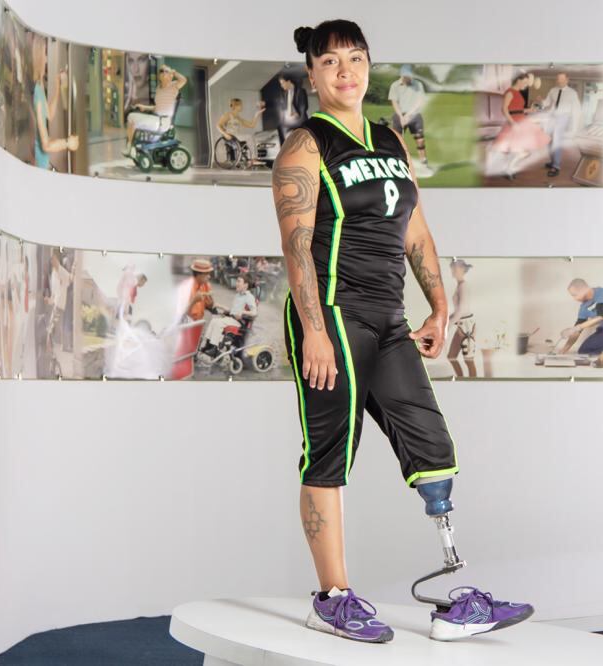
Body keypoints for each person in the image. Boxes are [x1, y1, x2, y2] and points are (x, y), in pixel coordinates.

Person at [273, 20, 533, 645]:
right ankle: (332, 597)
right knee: (330, 453)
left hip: (388, 318)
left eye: (355, 59)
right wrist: (313, 329)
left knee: (430, 442)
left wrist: (440, 307)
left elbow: (415, 230)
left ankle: (453, 595)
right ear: (312, 74)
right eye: (330, 62)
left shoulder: (390, 140)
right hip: (332, 315)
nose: (346, 72)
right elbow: (296, 245)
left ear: (369, 65)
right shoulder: (305, 148)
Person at [31, 34, 79, 170]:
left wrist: (57, 85)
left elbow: (49, 115)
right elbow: (46, 144)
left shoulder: (39, 87)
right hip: (40, 167)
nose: (46, 59)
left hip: (44, 164)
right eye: (45, 54)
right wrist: (67, 143)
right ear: (40, 56)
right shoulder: (36, 92)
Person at [123, 65, 188, 157]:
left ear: (171, 76)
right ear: (158, 75)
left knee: (132, 118)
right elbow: (157, 107)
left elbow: (183, 80)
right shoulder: (158, 88)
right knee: (131, 116)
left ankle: (131, 148)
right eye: (161, 71)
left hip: (162, 122)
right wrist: (144, 107)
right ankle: (131, 147)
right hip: (156, 119)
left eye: (166, 71)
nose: (163, 72)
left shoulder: (174, 86)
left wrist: (174, 71)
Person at [558, 278, 603, 360]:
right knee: (583, 351)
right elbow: (577, 332)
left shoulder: (601, 292)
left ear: (583, 290)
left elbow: (601, 316)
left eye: (574, 295)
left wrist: (576, 328)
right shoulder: (583, 307)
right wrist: (564, 349)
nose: (574, 298)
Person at [535, 71, 581, 178]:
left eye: (561, 79)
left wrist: (574, 127)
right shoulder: (553, 90)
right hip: (552, 117)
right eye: (558, 79)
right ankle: (552, 161)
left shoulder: (572, 93)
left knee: (556, 139)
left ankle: (556, 166)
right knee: (548, 140)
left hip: (564, 117)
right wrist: (541, 100)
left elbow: (576, 111)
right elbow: (546, 103)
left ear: (567, 80)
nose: (559, 81)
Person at [388, 64, 431, 173]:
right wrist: (401, 116)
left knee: (420, 140)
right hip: (399, 115)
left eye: (410, 76)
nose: (408, 78)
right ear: (402, 75)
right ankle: (397, 164)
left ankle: (424, 162)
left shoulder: (418, 84)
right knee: (397, 141)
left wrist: (408, 115)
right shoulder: (395, 85)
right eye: (406, 76)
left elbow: (419, 101)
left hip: (415, 115)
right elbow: (394, 102)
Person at [201, 274, 258, 352]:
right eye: (236, 281)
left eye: (239, 281)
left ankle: (214, 347)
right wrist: (220, 306)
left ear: (245, 285)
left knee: (218, 323)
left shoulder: (249, 297)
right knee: (214, 320)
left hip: (238, 322)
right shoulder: (238, 295)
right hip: (231, 318)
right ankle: (208, 345)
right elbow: (232, 310)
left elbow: (254, 312)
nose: (236, 283)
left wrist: (243, 312)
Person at [446, 259, 477, 378]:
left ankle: (473, 385)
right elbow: (458, 311)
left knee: (468, 360)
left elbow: (461, 311)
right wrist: (448, 320)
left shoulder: (464, 286)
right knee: (452, 356)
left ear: (463, 270)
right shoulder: (459, 285)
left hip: (466, 326)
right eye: (452, 267)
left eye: (455, 268)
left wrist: (448, 325)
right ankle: (461, 380)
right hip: (461, 324)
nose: (453, 270)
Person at [216, 98, 267, 167]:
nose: (242, 107)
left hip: (237, 137)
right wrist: (225, 134)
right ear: (236, 106)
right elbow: (218, 125)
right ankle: (253, 160)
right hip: (230, 136)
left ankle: (252, 159)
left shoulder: (238, 118)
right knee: (249, 137)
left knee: (250, 137)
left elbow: (252, 125)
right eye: (241, 105)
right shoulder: (228, 115)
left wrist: (256, 114)